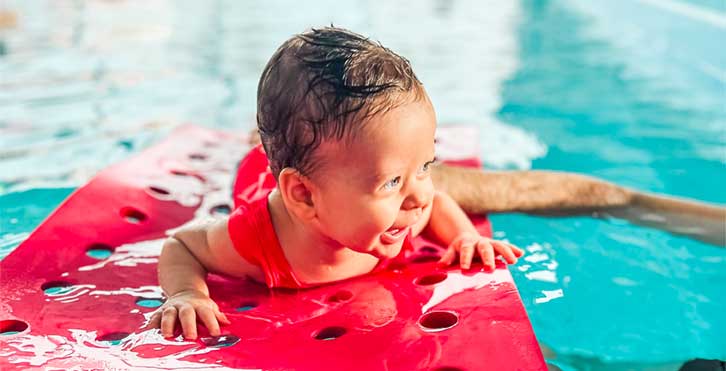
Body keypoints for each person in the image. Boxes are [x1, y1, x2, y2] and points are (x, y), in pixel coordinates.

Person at [148, 27, 524, 340]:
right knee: (268, 152)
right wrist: (186, 293)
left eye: (425, 166)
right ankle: (258, 143)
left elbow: (437, 202)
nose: (418, 197)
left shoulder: (401, 213)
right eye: (392, 181)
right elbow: (182, 244)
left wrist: (463, 238)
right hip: (259, 179)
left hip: (306, 173)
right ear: (305, 196)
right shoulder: (255, 241)